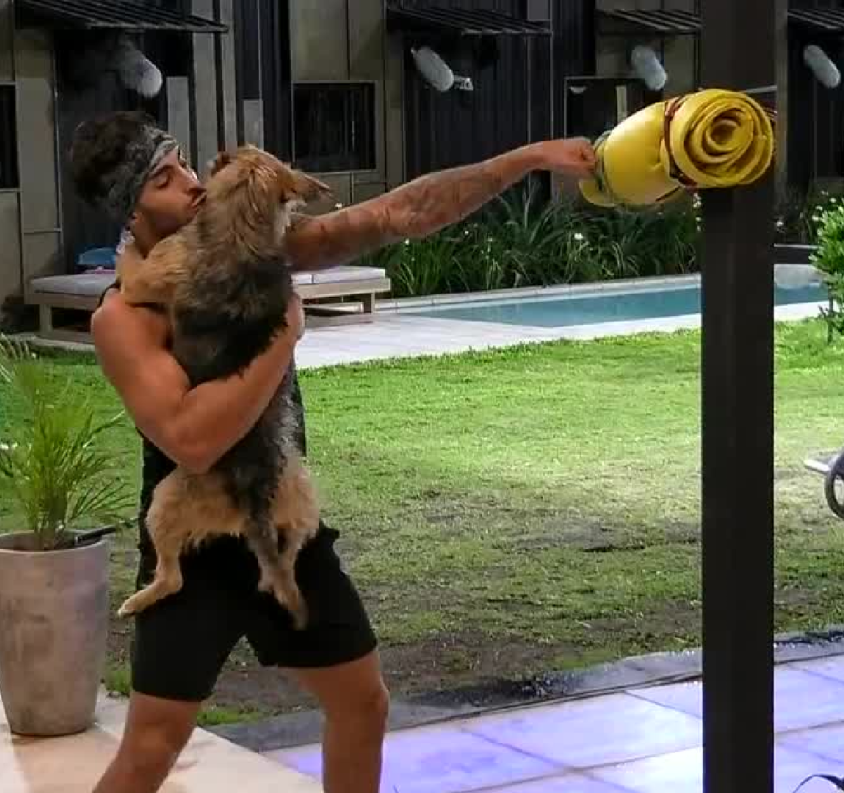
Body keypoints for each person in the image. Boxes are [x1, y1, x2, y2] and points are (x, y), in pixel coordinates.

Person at [69, 110, 597, 793]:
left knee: (362, 703)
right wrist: (283, 335)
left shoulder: (253, 251)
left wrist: (524, 158)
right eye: (163, 180)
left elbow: (397, 213)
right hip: (196, 550)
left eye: (184, 163)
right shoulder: (124, 319)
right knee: (152, 745)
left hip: (286, 531)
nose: (193, 184)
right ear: (129, 210)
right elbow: (192, 440)